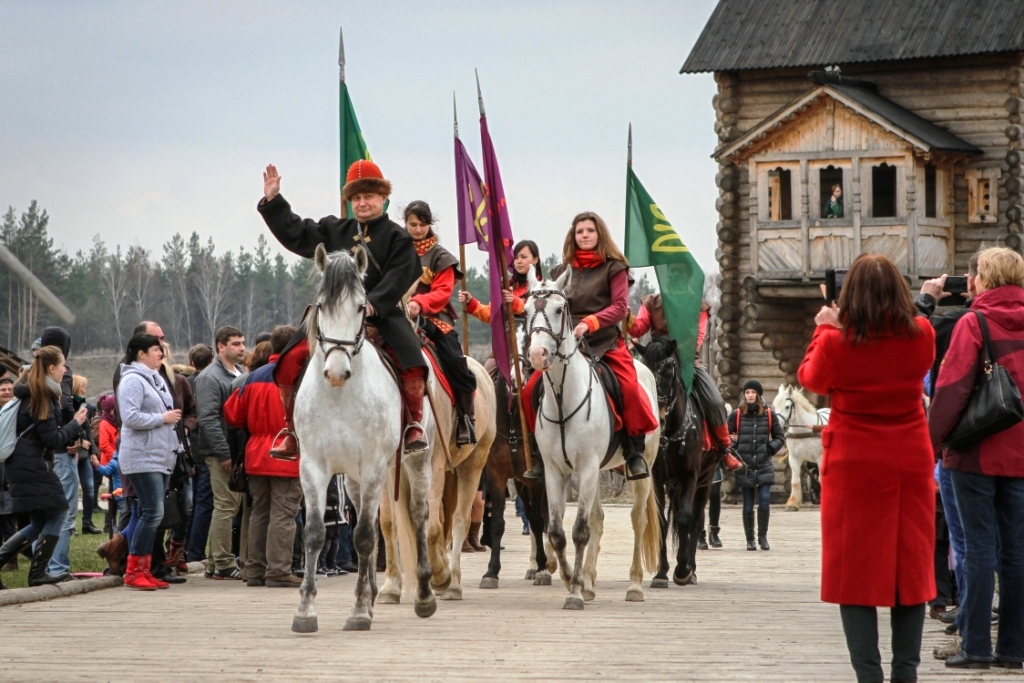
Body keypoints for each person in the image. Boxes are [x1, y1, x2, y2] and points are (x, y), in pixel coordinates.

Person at [798, 253, 936, 683]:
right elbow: (914, 338)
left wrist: (825, 325)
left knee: (854, 571)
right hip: (910, 459)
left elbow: (811, 379)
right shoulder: (923, 334)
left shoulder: (837, 343)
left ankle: (869, 676)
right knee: (910, 570)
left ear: (849, 295)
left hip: (854, 464)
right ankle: (905, 673)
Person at [257, 161, 427, 459]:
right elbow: (298, 233)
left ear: (382, 198)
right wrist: (274, 202)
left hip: (380, 313)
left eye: (369, 196)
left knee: (412, 360)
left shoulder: (398, 237)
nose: (362, 203)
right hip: (334, 316)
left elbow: (401, 273)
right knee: (288, 360)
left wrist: (373, 304)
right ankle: (290, 431)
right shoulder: (335, 229)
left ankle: (413, 425)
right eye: (356, 198)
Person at [929, 246, 1024, 671]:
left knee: (980, 549)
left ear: (983, 278)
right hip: (1022, 455)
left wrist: (935, 441)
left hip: (976, 453)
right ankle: (1014, 649)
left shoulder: (974, 322)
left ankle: (977, 648)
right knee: (1016, 551)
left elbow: (951, 391)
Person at [523, 212, 659, 480]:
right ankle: (541, 454)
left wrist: (590, 322)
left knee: (629, 388)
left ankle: (633, 453)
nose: (584, 235)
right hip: (566, 347)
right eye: (580, 231)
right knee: (529, 392)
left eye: (589, 230)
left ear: (600, 235)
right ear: (573, 236)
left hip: (604, 341)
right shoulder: (560, 272)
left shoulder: (615, 267)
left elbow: (620, 307)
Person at [0, 346, 89, 589]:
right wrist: (75, 423)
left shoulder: (32, 392)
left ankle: (22, 566)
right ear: (52, 368)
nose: (64, 371)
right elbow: (52, 440)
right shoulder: (41, 396)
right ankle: (38, 572)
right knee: (59, 512)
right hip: (32, 465)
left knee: (40, 521)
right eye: (63, 366)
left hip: (22, 464)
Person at [223, 325, 304, 589]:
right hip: (286, 451)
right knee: (284, 513)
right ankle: (279, 570)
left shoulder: (252, 376)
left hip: (256, 452)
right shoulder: (298, 375)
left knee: (260, 512)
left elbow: (232, 415)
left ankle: (255, 570)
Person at [404, 200, 478, 445]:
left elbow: (442, 292)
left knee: (456, 362)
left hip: (433, 317)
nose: (416, 229)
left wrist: (418, 303)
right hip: (396, 314)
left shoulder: (441, 256)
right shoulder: (396, 250)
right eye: (412, 224)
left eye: (422, 225)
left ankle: (466, 418)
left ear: (429, 225)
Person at [117, 333, 183, 591]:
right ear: (140, 353)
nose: (161, 353)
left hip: (159, 456)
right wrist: (162, 418)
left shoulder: (155, 378)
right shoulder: (132, 379)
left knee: (153, 513)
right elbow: (130, 417)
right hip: (142, 457)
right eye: (156, 349)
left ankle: (144, 568)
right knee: (151, 512)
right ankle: (134, 571)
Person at [194, 326, 246, 580]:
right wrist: (224, 453)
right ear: (221, 346)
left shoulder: (240, 372)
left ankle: (215, 562)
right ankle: (224, 562)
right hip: (221, 452)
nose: (242, 348)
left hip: (235, 451)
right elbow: (208, 419)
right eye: (235, 343)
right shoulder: (209, 377)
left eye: (242, 343)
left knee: (231, 506)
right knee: (225, 506)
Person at [38, 327, 79, 577]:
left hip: (39, 454)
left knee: (41, 514)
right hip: (61, 449)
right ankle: (57, 566)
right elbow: (64, 405)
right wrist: (75, 428)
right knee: (64, 511)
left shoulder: (31, 371)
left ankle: (40, 566)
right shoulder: (61, 373)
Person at [728, 380, 784, 551]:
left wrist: (769, 448)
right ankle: (750, 540)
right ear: (744, 395)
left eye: (753, 392)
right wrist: (735, 447)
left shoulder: (769, 414)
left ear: (758, 394)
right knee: (747, 505)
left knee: (765, 501)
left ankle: (763, 537)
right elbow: (726, 437)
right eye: (747, 392)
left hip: (763, 464)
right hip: (745, 466)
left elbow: (779, 437)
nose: (750, 395)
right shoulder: (736, 415)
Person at [185, 343, 214, 562]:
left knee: (188, 503)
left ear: (190, 363)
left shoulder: (185, 383)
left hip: (188, 448)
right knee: (204, 503)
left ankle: (182, 546)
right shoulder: (211, 383)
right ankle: (195, 550)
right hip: (205, 449)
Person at [71, 375, 101, 536]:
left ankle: (87, 522)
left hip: (85, 454)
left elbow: (88, 429)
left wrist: (93, 453)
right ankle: (71, 524)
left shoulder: (83, 405)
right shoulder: (68, 405)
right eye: (83, 386)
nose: (85, 389)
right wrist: (81, 442)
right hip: (73, 452)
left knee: (89, 489)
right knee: (73, 490)